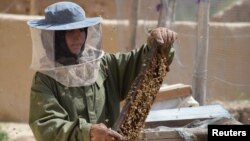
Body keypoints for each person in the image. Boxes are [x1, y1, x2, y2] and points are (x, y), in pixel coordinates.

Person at [27, 1, 177, 141]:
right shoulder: (44, 80)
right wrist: (88, 131)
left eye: (81, 29)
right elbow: (46, 125)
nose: (78, 36)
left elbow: (139, 64)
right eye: (70, 31)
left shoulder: (103, 64)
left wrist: (158, 45)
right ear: (55, 37)